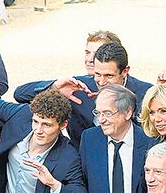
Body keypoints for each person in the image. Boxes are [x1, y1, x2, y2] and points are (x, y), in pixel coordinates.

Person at [15, 40, 153, 147]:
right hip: (84, 167)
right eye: (97, 74)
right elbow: (20, 94)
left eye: (109, 76)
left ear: (125, 71)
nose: (101, 81)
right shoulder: (78, 88)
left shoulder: (145, 93)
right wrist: (54, 87)